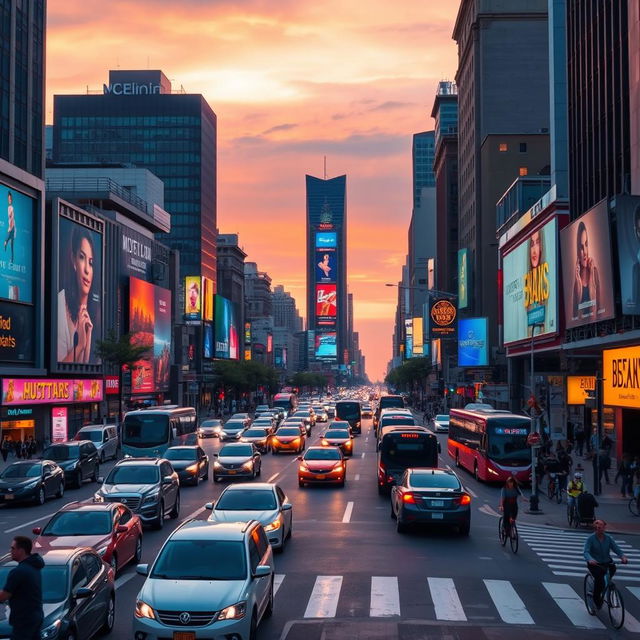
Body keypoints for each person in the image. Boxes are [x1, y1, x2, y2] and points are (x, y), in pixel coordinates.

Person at [57, 226, 96, 364]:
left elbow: (82, 369)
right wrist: (80, 345)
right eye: (81, 257)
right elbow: (60, 366)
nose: (86, 269)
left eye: (91, 263)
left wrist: (87, 337)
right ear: (73, 260)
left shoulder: (90, 313)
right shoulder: (60, 305)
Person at [0, 536, 44, 639]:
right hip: (35, 617)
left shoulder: (18, 572)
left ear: (21, 550)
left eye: (13, 548)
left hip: (23, 621)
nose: (10, 551)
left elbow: (3, 596)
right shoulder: (34, 567)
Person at [584, 520, 628, 608]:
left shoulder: (608, 538)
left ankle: (606, 585)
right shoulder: (591, 539)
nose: (598, 529)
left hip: (607, 562)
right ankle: (596, 598)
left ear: (604, 527)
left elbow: (616, 549)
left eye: (600, 527)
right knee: (599, 580)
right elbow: (586, 552)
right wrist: (590, 559)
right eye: (596, 528)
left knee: (613, 569)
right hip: (595, 564)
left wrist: (622, 556)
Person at [572, 221, 601, 321]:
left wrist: (592, 276)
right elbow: (574, 317)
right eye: (581, 247)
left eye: (586, 244)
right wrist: (579, 287)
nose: (585, 252)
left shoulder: (595, 272)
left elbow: (599, 312)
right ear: (577, 250)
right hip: (580, 332)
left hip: (595, 328)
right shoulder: (576, 279)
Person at [3, 191, 15, 263]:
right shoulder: (9, 207)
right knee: (6, 243)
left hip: (12, 229)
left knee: (11, 245)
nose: (9, 200)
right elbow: (10, 219)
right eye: (8, 199)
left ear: (11, 199)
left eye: (10, 199)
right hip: (11, 229)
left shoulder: (11, 208)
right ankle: (8, 258)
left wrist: (10, 228)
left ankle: (11, 260)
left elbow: (11, 219)